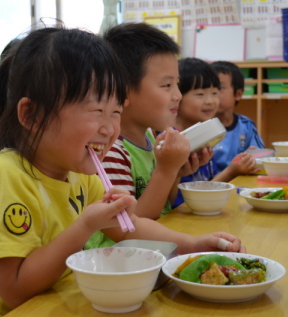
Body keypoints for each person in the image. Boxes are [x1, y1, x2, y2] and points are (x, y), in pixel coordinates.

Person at [0, 25, 245, 317]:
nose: (109, 129)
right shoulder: (6, 176)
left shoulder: (81, 173)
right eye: (96, 111)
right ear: (32, 115)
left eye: (116, 112)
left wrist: (191, 245)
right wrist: (85, 226)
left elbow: (128, 227)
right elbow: (15, 291)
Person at [100, 23, 212, 225]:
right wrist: (166, 170)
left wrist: (176, 172)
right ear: (123, 93)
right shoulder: (111, 151)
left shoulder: (149, 137)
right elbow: (130, 225)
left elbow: (163, 206)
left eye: (177, 84)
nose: (178, 95)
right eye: (167, 85)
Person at [173, 58, 257, 207]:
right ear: (177, 96)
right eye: (200, 94)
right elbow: (185, 201)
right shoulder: (175, 142)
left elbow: (209, 182)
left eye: (214, 93)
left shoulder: (204, 136)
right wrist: (230, 172)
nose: (210, 101)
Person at [210, 61, 265, 172]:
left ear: (238, 94)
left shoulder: (246, 125)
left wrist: (253, 157)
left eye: (219, 88)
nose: (213, 93)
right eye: (209, 88)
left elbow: (261, 155)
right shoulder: (203, 128)